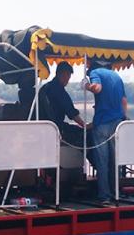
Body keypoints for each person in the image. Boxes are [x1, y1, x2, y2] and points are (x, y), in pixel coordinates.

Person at [83, 62, 127, 202]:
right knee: (115, 160)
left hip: (102, 124)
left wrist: (86, 85)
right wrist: (124, 117)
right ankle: (116, 193)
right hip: (117, 124)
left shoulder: (95, 73)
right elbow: (124, 101)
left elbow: (97, 88)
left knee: (102, 161)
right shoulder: (117, 76)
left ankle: (104, 195)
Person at [39, 62, 86, 144]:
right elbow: (71, 112)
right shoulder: (58, 90)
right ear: (58, 74)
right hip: (55, 128)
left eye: (68, 75)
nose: (66, 78)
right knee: (84, 134)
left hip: (42, 127)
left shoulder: (45, 87)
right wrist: (85, 125)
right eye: (64, 75)